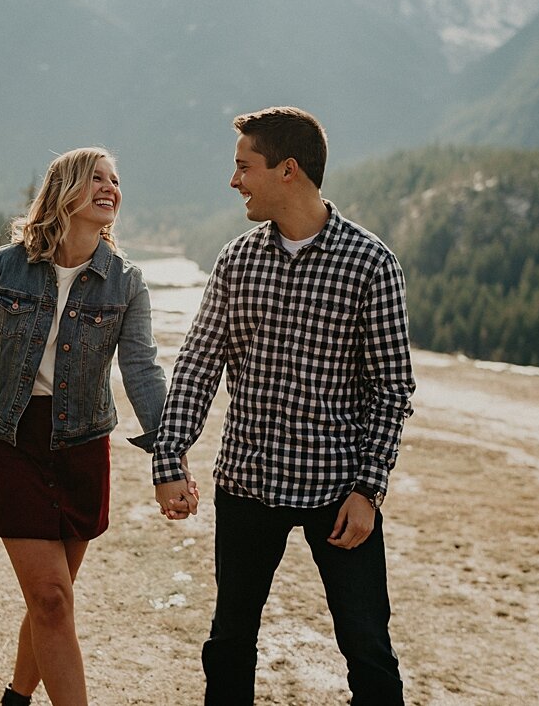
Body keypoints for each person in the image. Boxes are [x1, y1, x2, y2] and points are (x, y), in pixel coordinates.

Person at [0, 147, 195, 706]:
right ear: (65, 190)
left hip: (82, 447)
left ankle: (16, 696)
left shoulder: (125, 281)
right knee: (53, 599)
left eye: (116, 180)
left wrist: (170, 461)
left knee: (52, 600)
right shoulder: (7, 267)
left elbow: (143, 374)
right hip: (14, 442)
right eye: (97, 178)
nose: (111, 188)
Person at [149, 107, 416, 705]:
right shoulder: (237, 260)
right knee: (229, 645)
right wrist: (169, 458)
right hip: (246, 487)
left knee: (368, 650)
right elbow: (197, 364)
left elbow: (393, 389)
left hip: (338, 493)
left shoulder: (370, 265)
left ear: (288, 170)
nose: (234, 180)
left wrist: (367, 490)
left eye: (244, 167)